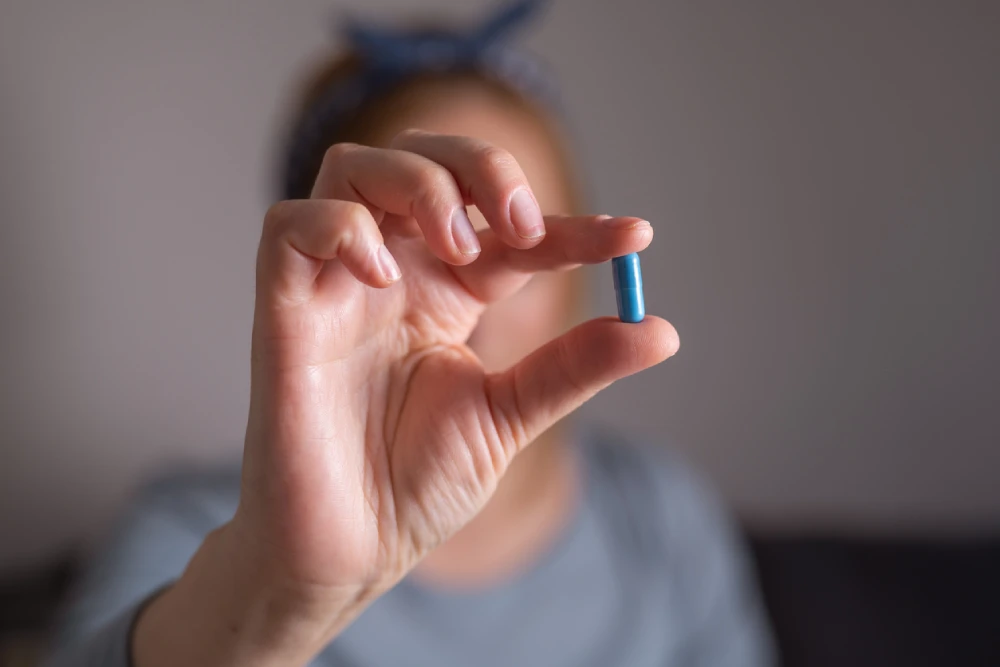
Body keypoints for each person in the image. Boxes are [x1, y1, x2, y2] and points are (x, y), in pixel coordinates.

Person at [46, 2, 775, 665]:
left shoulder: (662, 519)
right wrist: (279, 596)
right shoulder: (188, 533)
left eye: (521, 252)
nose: (474, 306)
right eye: (425, 253)